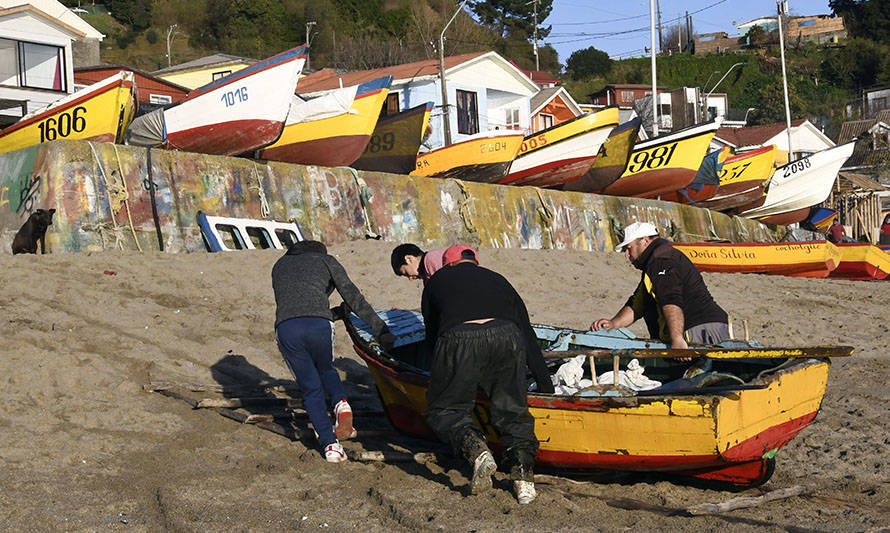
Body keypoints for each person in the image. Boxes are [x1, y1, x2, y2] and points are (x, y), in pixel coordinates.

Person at [421, 244, 551, 505]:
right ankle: (524, 481)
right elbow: (527, 333)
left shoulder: (436, 281)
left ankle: (478, 451)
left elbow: (434, 337)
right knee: (513, 411)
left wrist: (438, 377)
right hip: (508, 336)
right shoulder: (499, 279)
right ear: (475, 262)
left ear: (448, 264)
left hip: (459, 337)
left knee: (445, 409)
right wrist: (545, 383)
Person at [272, 240, 395, 463]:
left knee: (310, 389)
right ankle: (341, 403)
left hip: (287, 328)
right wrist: (381, 330)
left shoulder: (279, 266)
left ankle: (331, 447)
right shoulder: (326, 260)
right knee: (326, 368)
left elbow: (296, 306)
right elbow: (353, 296)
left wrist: (333, 312)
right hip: (319, 325)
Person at [590, 222, 729, 349]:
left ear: (644, 241)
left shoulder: (661, 259)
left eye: (629, 248)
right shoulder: (655, 262)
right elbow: (638, 304)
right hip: (702, 327)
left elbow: (670, 300)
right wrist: (613, 324)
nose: (627, 255)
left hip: (698, 327)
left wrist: (677, 338)